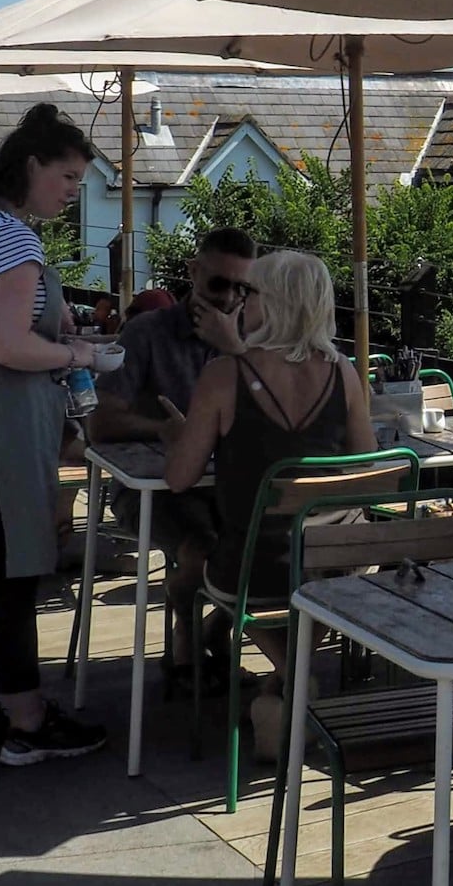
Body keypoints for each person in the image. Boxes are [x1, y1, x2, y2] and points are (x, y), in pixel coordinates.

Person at [0, 102, 108, 769]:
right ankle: (29, 721)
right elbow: (9, 347)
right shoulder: (13, 241)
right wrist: (78, 356)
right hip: (0, 425)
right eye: (66, 176)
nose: (73, 191)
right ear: (31, 165)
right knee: (11, 579)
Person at [165, 247, 373, 758]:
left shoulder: (224, 375)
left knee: (216, 563)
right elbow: (368, 468)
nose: (239, 301)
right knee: (314, 575)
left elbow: (178, 479)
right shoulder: (342, 371)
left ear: (273, 302)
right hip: (335, 564)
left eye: (250, 291)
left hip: (255, 569)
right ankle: (290, 683)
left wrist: (186, 434)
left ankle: (287, 683)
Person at [89, 227, 257, 677]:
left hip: (230, 485)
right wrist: (162, 428)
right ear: (193, 272)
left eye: (243, 287)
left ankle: (217, 629)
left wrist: (234, 348)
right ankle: (186, 629)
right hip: (155, 488)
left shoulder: (254, 335)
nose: (229, 298)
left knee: (272, 549)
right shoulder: (147, 333)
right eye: (219, 283)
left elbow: (272, 410)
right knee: (203, 547)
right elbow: (99, 422)